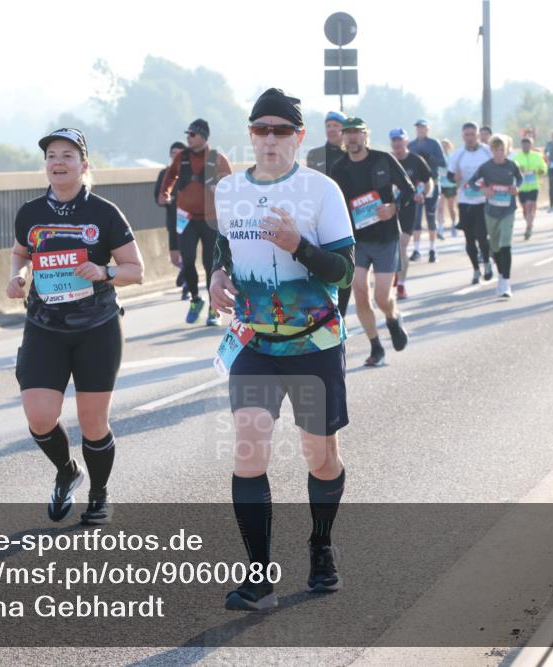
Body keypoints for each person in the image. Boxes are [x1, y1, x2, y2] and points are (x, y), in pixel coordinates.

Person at [210, 88, 355, 611]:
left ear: (299, 136)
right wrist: (216, 275)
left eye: (280, 130)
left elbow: (344, 272)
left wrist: (300, 247)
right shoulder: (227, 191)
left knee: (319, 457)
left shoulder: (321, 191)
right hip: (255, 344)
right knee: (249, 452)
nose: (269, 138)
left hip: (314, 344)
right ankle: (259, 576)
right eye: (260, 129)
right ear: (250, 134)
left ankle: (320, 544)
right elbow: (225, 247)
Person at [7, 127, 144, 524]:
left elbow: (136, 271)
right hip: (44, 325)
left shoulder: (104, 213)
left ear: (84, 166)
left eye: (67, 155)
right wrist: (17, 276)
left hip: (97, 328)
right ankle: (67, 472)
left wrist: (103, 270)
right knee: (39, 416)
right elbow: (20, 254)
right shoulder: (30, 213)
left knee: (92, 422)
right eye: (52, 155)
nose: (58, 162)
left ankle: (99, 496)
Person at [330, 117, 413, 366]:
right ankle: (376, 346)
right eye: (348, 133)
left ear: (366, 136)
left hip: (386, 237)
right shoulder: (339, 168)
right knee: (359, 291)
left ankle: (392, 316)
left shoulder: (383, 160)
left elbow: (408, 190)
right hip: (357, 241)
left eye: (357, 132)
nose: (352, 137)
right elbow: (333, 205)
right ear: (343, 138)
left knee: (381, 298)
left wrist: (393, 207)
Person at [158, 119, 233, 326]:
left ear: (203, 136)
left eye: (192, 134)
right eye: (187, 135)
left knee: (211, 265)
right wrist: (165, 193)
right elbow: (169, 176)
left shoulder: (217, 159)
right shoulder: (181, 157)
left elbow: (230, 185)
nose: (188, 138)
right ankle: (195, 299)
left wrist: (219, 189)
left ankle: (212, 308)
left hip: (210, 220)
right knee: (188, 261)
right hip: (187, 218)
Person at [468, 135, 522, 298]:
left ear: (506, 150)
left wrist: (516, 188)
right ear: (491, 150)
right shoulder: (486, 167)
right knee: (495, 246)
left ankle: (505, 283)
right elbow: (471, 183)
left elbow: (519, 179)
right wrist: (483, 190)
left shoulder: (512, 165)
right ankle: (500, 275)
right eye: (496, 150)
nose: (499, 153)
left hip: (508, 210)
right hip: (491, 211)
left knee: (506, 243)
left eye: (502, 150)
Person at [447, 122, 494, 284]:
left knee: (482, 235)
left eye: (473, 134)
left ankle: (487, 262)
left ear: (478, 135)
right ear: (463, 136)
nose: (470, 138)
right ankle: (475, 270)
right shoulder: (458, 154)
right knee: (469, 239)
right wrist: (455, 178)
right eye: (467, 135)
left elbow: (497, 167)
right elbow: (449, 176)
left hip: (483, 200)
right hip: (465, 201)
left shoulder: (487, 151)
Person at [390, 128, 434, 300]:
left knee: (401, 246)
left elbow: (428, 181)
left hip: (409, 209)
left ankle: (401, 285)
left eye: (400, 140)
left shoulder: (416, 161)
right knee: (390, 248)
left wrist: (423, 194)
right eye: (394, 140)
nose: (397, 143)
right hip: (389, 209)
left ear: (406, 141)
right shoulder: (388, 160)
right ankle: (394, 274)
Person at [154, 141, 190, 300]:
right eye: (173, 153)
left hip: (188, 220)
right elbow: (158, 198)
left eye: (179, 153)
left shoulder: (190, 173)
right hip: (172, 220)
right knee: (175, 258)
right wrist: (166, 199)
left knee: (186, 254)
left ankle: (186, 285)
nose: (176, 156)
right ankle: (185, 271)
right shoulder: (164, 174)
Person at [408, 118, 447, 252]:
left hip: (432, 182)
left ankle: (432, 249)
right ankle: (417, 250)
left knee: (430, 215)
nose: (421, 130)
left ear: (427, 129)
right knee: (416, 217)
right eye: (418, 128)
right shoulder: (411, 145)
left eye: (423, 128)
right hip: (417, 185)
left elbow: (443, 163)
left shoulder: (434, 144)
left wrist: (430, 157)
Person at [511, 136, 546, 240]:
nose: (526, 146)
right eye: (524, 144)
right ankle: (529, 222)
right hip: (522, 187)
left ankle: (528, 227)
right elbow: (512, 172)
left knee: (530, 206)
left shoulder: (537, 156)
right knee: (525, 209)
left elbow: (543, 168)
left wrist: (540, 171)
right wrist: (520, 171)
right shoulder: (517, 158)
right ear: (521, 145)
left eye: (528, 144)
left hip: (534, 185)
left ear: (531, 145)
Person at [306, 111, 347, 176]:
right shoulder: (315, 154)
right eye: (328, 126)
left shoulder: (351, 154)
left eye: (335, 125)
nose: (331, 129)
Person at [438, 138, 459, 236]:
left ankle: (454, 225)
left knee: (450, 207)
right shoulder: (438, 156)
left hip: (450, 185)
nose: (444, 147)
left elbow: (453, 170)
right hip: (441, 184)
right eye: (442, 145)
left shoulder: (452, 156)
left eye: (446, 145)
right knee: (440, 207)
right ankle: (441, 228)